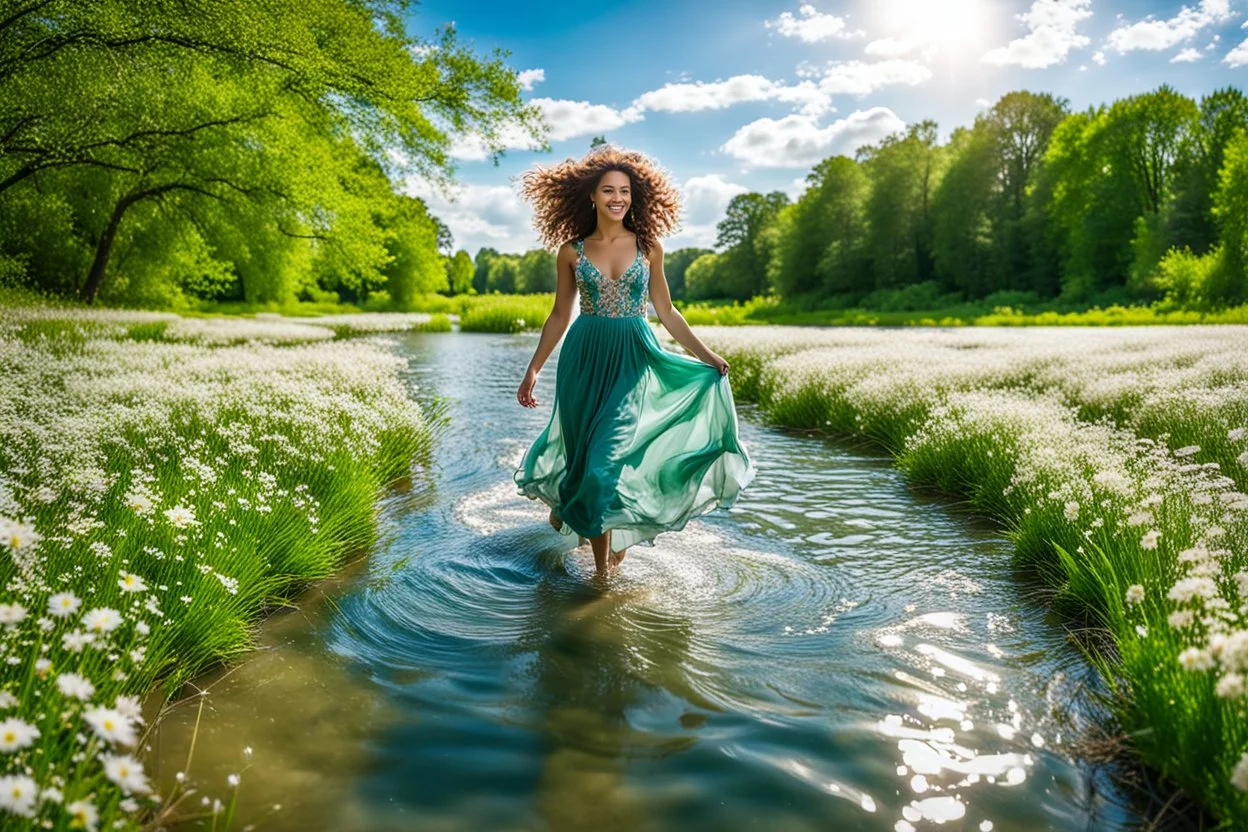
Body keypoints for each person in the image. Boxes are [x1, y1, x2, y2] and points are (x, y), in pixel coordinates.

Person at [513, 145, 756, 580]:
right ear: (591, 196)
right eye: (608, 190)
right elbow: (559, 315)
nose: (617, 198)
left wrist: (706, 355)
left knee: (604, 465)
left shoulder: (649, 247)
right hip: (583, 361)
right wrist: (534, 368)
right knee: (584, 463)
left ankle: (601, 577)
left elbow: (666, 311)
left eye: (624, 190)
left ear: (634, 195)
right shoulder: (571, 251)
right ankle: (579, 517)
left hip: (632, 359)